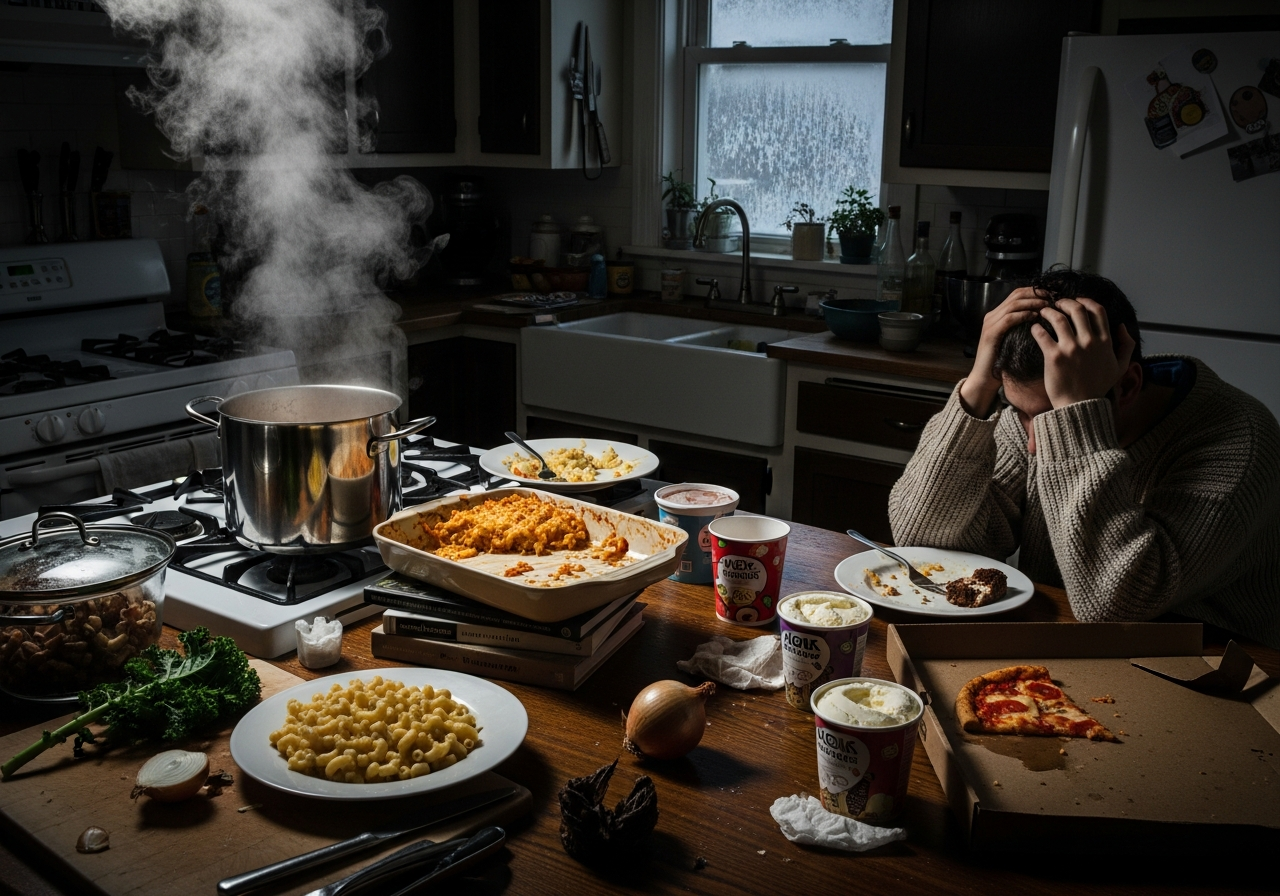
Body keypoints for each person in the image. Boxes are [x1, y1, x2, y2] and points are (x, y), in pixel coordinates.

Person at [888, 267, 1280, 647]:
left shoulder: (1241, 442)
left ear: (1128, 385)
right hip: (1064, 640)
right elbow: (921, 537)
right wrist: (978, 386)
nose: (1034, 445)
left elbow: (1115, 603)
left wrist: (1074, 422)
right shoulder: (1034, 404)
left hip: (1217, 663)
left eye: (1052, 419)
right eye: (1018, 411)